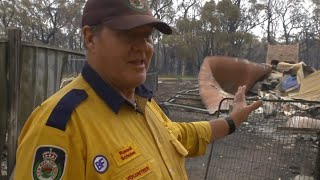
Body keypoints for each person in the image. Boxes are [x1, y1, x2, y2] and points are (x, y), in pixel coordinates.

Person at [14, 0, 262, 179]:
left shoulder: (143, 102)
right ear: (90, 38)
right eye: (128, 35)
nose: (142, 47)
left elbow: (180, 135)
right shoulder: (59, 129)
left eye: (147, 36)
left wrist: (233, 120)